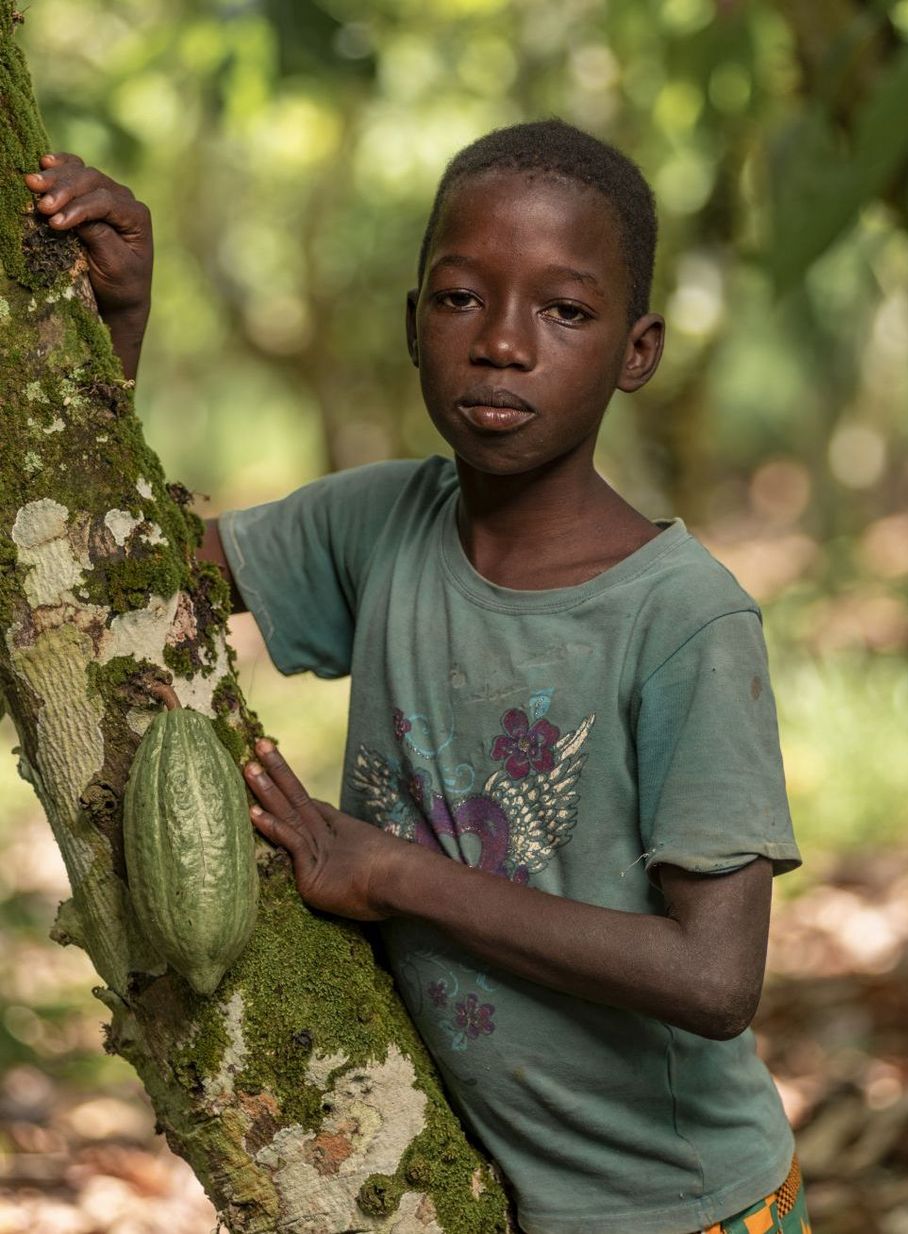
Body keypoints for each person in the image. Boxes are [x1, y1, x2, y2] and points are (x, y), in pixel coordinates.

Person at [26, 120, 811, 1234]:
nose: (502, 343)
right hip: (481, 1192)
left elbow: (716, 980)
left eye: (566, 311)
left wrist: (394, 874)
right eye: (460, 299)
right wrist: (118, 331)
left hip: (686, 1207)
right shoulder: (385, 523)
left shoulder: (683, 618)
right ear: (411, 323)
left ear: (638, 353)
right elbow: (124, 575)